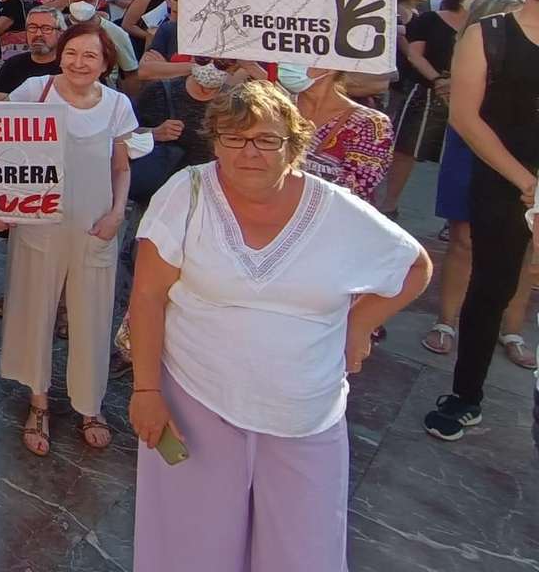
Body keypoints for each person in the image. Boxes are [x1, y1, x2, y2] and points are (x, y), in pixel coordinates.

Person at [128, 81, 430, 571]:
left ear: (293, 146)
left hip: (304, 413)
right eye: (234, 137)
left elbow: (413, 268)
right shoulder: (187, 192)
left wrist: (358, 327)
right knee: (191, 550)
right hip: (196, 398)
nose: (250, 152)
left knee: (303, 553)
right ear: (215, 140)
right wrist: (145, 390)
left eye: (267, 139)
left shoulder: (336, 209)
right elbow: (147, 296)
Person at [1, 21, 134, 455]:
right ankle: (37, 401)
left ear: (105, 63)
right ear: (61, 53)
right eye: (73, 52)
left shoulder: (116, 106)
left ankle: (89, 404)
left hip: (96, 227)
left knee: (93, 315)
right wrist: (0, 206)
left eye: (90, 56)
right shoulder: (34, 92)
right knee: (33, 310)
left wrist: (118, 213)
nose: (79, 63)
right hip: (39, 226)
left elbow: (121, 168)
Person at [425, 0, 539, 440]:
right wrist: (527, 182)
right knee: (491, 286)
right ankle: (466, 396)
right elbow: (466, 117)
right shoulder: (488, 34)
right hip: (504, 182)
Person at [379, 0, 483, 218]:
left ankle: (455, 215)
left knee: (462, 155)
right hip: (426, 92)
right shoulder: (429, 20)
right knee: (407, 149)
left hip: (467, 94)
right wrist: (437, 79)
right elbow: (414, 54)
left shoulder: (481, 25)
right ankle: (389, 203)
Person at [278, 63, 394, 203]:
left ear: (330, 66)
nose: (287, 65)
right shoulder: (275, 110)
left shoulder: (371, 123)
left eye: (300, 60)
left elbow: (358, 186)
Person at [0, 5, 64, 97]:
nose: (38, 34)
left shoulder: (68, 66)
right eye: (32, 27)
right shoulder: (12, 64)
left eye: (46, 29)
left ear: (60, 34)